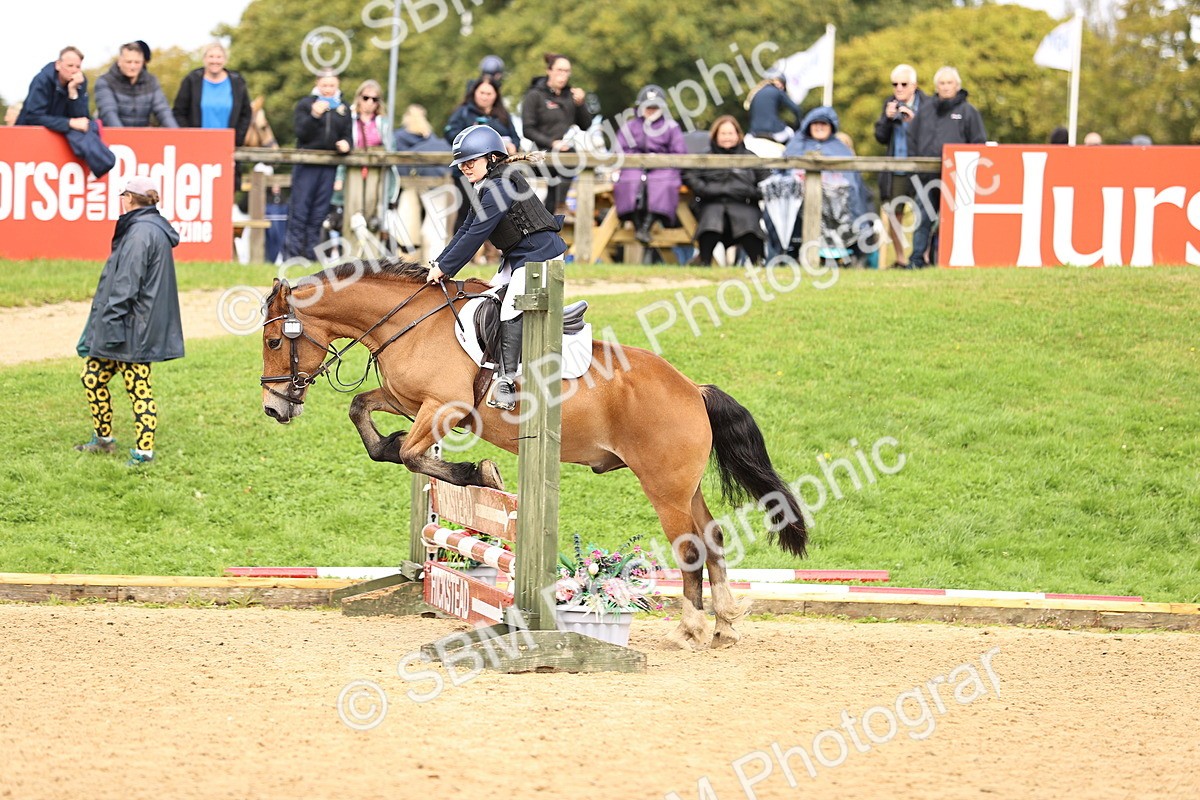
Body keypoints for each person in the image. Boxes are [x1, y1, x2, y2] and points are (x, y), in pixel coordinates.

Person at [425, 125, 566, 411]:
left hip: (540, 259)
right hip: (519, 257)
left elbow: (477, 234)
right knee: (486, 298)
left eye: (470, 161)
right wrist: (439, 264)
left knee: (510, 307)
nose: (464, 168)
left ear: (490, 158)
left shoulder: (500, 186)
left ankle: (506, 381)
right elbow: (465, 229)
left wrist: (447, 268)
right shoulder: (488, 185)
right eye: (461, 163)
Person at [74, 175, 183, 467]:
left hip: (130, 329)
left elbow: (126, 285)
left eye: (122, 195)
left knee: (139, 388)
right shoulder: (148, 227)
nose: (120, 200)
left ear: (130, 199)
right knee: (92, 377)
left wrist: (107, 323)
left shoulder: (140, 233)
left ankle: (144, 453)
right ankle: (103, 440)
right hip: (128, 326)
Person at [909, 66, 987, 268]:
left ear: (957, 85)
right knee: (923, 217)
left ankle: (947, 259)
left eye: (949, 83)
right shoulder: (926, 111)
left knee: (953, 221)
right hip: (927, 176)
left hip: (957, 179)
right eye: (942, 83)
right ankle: (917, 259)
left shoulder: (968, 112)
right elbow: (912, 138)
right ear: (936, 86)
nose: (945, 87)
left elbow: (979, 142)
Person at [779, 106, 871, 264]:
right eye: (815, 123)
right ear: (809, 126)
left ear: (831, 127)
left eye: (824, 124)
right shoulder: (796, 145)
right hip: (800, 204)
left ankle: (842, 254)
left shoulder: (840, 149)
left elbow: (853, 183)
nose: (819, 127)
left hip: (838, 208)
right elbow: (783, 173)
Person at [284, 71, 352, 262]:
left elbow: (348, 134)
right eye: (325, 85)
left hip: (329, 165)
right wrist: (314, 115)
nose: (328, 90)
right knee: (300, 210)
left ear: (337, 85)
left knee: (319, 212)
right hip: (307, 164)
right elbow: (300, 133)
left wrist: (346, 144)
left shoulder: (344, 108)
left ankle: (311, 256)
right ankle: (293, 256)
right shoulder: (306, 104)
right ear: (317, 84)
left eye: (332, 86)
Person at [682, 115, 768, 267]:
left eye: (730, 133)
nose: (727, 137)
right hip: (713, 203)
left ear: (738, 135)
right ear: (716, 135)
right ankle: (704, 261)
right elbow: (689, 175)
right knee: (710, 222)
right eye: (723, 133)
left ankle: (758, 262)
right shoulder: (705, 157)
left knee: (748, 224)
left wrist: (748, 191)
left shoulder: (750, 158)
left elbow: (767, 183)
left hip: (744, 204)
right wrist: (709, 190)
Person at [17, 46, 115, 177]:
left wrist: (73, 92)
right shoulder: (42, 80)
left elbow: (82, 119)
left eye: (78, 66)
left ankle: (102, 161)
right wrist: (69, 123)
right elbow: (33, 116)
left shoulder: (80, 82)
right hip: (29, 140)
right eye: (70, 65)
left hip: (59, 137)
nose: (74, 70)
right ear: (58, 65)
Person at [613, 84, 686, 250]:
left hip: (662, 169)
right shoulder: (630, 126)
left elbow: (679, 153)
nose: (651, 110)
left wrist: (658, 159)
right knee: (629, 180)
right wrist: (638, 159)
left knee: (663, 181)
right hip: (635, 168)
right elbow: (620, 150)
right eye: (648, 107)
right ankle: (639, 226)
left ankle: (646, 226)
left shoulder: (671, 127)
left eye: (655, 107)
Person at [445, 76, 519, 233]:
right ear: (474, 93)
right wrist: (474, 142)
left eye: (489, 93)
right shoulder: (463, 112)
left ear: (496, 95)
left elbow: (516, 138)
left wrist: (511, 146)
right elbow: (450, 134)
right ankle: (463, 253)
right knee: (467, 214)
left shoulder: (502, 115)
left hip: (495, 173)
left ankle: (489, 253)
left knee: (496, 213)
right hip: (466, 173)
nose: (485, 97)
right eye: (482, 92)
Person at [521, 53, 592, 215]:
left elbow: (585, 125)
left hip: (561, 157)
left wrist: (581, 104)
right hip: (536, 153)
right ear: (549, 71)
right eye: (559, 70)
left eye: (567, 71)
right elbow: (527, 129)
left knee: (569, 159)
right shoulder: (535, 95)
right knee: (569, 158)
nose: (563, 75)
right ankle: (559, 206)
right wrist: (552, 143)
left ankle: (554, 212)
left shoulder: (570, 96)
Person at [873, 63, 927, 268]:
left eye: (904, 84)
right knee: (894, 213)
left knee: (925, 211)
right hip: (896, 167)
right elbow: (880, 136)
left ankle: (923, 257)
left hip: (922, 167)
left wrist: (915, 122)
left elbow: (930, 137)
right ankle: (901, 259)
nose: (899, 88)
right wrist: (887, 119)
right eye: (895, 84)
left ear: (914, 85)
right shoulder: (890, 104)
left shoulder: (927, 104)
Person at [172, 42, 253, 146]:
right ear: (204, 59)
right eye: (211, 57)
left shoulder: (237, 82)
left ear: (225, 59)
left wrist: (237, 139)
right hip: (196, 145)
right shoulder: (192, 81)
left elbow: (246, 114)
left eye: (219, 57)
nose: (215, 61)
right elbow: (179, 112)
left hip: (228, 146)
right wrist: (189, 137)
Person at [341, 79, 391, 237]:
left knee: (372, 212)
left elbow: (391, 148)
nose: (370, 102)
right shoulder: (348, 119)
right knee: (353, 212)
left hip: (375, 170)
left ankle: (372, 256)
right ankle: (352, 255)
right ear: (359, 98)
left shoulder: (383, 123)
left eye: (374, 99)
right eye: (366, 98)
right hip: (353, 168)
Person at [93, 41, 177, 128]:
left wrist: (176, 134)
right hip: (112, 137)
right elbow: (108, 112)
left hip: (141, 136)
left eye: (137, 62)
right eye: (128, 62)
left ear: (143, 63)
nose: (133, 66)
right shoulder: (105, 82)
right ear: (119, 62)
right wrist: (123, 136)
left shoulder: (151, 81)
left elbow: (163, 110)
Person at [744, 68, 802, 144]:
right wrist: (798, 125)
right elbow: (796, 109)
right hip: (774, 132)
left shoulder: (755, 93)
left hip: (753, 133)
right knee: (790, 132)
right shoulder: (778, 91)